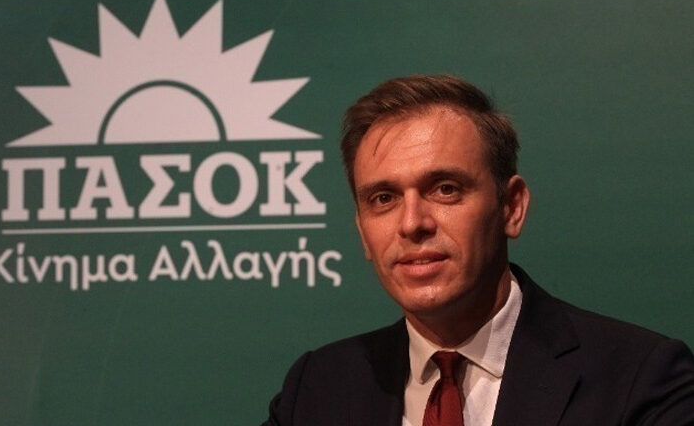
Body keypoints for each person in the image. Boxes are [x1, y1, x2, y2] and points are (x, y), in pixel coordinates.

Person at [262, 74, 694, 426]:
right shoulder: (318, 388)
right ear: (362, 233)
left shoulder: (640, 378)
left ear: (511, 207)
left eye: (445, 189)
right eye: (383, 199)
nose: (412, 223)